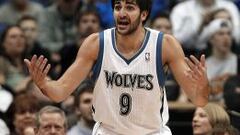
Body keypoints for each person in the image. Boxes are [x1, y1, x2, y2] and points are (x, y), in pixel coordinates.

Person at [24, 0, 210, 134]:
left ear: (143, 14)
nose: (121, 13)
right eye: (117, 6)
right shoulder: (96, 43)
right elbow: (61, 92)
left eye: (129, 7)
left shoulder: (164, 45)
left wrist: (202, 86)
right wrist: (44, 84)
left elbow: (199, 100)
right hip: (108, 131)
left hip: (152, 132)